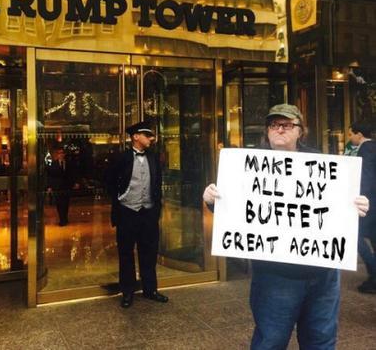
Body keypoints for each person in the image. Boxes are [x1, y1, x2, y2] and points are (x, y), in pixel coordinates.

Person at [203, 103, 370, 350]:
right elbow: (236, 209)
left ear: (300, 131)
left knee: (321, 342)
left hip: (323, 274)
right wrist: (212, 200)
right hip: (275, 276)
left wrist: (357, 206)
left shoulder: (321, 163)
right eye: (274, 124)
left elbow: (339, 207)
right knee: (270, 342)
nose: (280, 129)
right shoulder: (246, 165)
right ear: (268, 131)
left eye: (287, 125)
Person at [106, 121, 168, 308]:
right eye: (147, 135)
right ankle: (127, 292)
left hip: (148, 212)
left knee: (149, 252)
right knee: (126, 253)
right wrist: (120, 197)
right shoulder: (121, 157)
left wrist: (156, 207)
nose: (151, 138)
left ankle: (150, 290)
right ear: (135, 137)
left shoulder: (154, 157)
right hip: (127, 212)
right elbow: (108, 180)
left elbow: (157, 182)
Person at [349, 120, 376, 293]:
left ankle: (374, 273)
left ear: (359, 134)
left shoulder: (365, 149)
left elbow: (365, 178)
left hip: (369, 203)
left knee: (355, 236)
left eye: (351, 134)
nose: (350, 137)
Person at [46, 147, 76, 226]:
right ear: (57, 155)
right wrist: (50, 186)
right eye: (59, 153)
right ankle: (62, 219)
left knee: (66, 203)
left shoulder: (68, 163)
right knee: (59, 204)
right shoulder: (53, 164)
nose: (61, 155)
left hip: (66, 187)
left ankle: (65, 218)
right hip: (57, 187)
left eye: (62, 153)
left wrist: (73, 183)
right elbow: (50, 176)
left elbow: (71, 175)